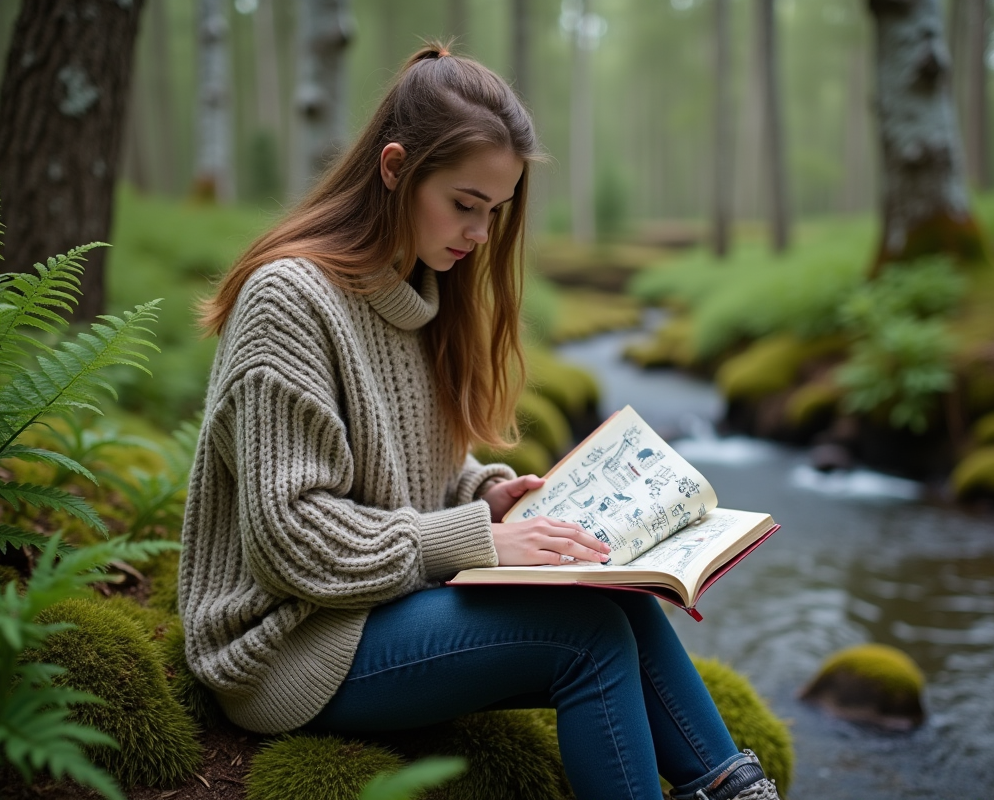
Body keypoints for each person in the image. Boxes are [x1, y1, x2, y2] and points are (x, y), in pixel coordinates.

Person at [180, 44, 780, 800]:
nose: (480, 234)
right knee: (585, 639)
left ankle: (736, 790)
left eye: (494, 212)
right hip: (293, 645)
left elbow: (410, 474)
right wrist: (479, 539)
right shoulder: (290, 300)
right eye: (465, 204)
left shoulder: (420, 291)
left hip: (379, 608)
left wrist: (487, 496)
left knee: (613, 590)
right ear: (394, 169)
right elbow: (291, 537)